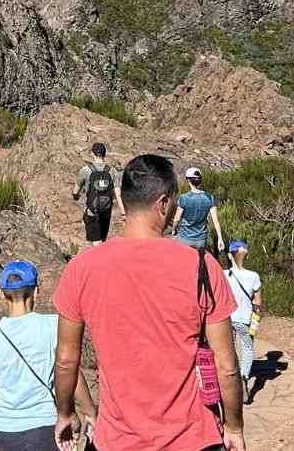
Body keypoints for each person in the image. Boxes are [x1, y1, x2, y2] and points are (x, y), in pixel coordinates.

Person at [53, 154, 246, 451]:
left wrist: (65, 413)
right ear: (164, 204)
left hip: (118, 439)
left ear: (126, 201)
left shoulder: (82, 268)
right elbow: (227, 365)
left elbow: (66, 360)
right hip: (193, 438)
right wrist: (234, 426)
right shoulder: (203, 266)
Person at [0, 261, 97, 451]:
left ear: (1, 294)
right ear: (36, 292)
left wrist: (10, 413)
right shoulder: (52, 325)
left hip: (5, 429)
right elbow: (70, 370)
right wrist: (90, 412)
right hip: (45, 424)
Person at [223, 241, 263, 404]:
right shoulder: (253, 276)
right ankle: (244, 377)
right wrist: (256, 319)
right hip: (245, 319)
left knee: (230, 349)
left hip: (227, 318)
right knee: (247, 348)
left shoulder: (224, 274)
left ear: (230, 255)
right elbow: (258, 302)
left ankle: (231, 383)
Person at [72, 142, 123, 247]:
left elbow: (75, 191)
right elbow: (118, 195)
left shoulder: (85, 170)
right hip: (106, 212)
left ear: (92, 154)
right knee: (102, 242)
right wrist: (123, 213)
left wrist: (76, 196)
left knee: (97, 245)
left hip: (92, 213)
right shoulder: (112, 171)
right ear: (104, 154)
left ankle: (101, 262)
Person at [172, 166, 225, 255]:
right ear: (200, 180)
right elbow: (215, 221)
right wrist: (220, 238)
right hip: (201, 240)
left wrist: (174, 230)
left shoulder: (184, 198)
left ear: (188, 180)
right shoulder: (209, 197)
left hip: (185, 238)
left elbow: (177, 219)